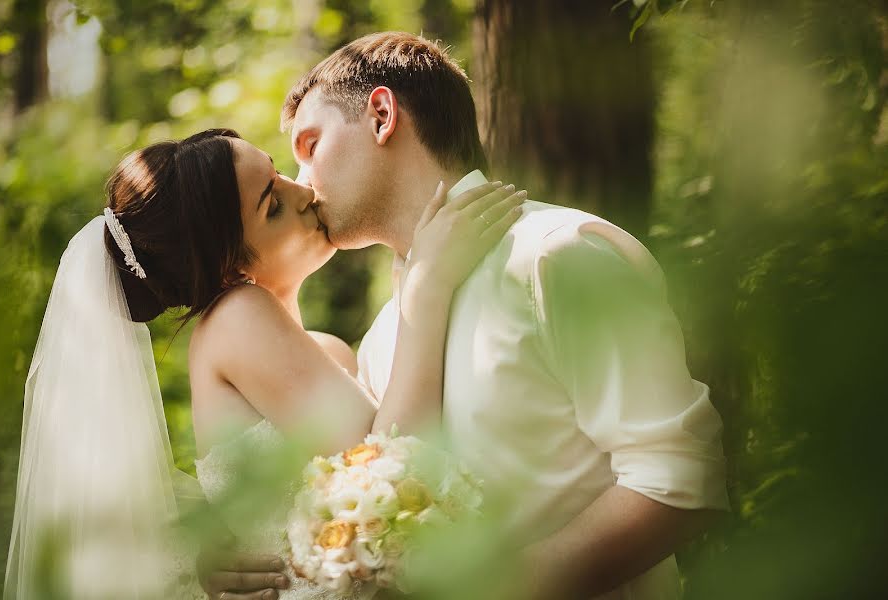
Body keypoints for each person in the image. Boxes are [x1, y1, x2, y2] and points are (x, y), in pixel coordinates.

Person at [237, 31, 727, 600]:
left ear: (380, 114)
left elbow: (682, 478)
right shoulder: (384, 338)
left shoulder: (556, 255)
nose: (300, 182)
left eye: (311, 144)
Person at [4, 127, 523, 600]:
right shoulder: (235, 318)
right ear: (228, 266)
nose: (304, 194)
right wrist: (428, 286)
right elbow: (398, 464)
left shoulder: (325, 351)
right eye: (272, 205)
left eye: (278, 173)